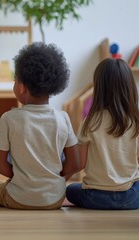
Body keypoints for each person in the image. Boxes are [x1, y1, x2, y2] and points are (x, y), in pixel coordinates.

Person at [0, 42, 80, 210]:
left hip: (19, 198)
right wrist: (52, 179)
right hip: (54, 200)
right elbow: (74, 164)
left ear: (22, 87)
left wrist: (23, 177)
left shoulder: (9, 118)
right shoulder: (63, 118)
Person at [66, 58, 139, 210]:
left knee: (70, 190)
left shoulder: (90, 121)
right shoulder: (136, 121)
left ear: (99, 88)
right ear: (130, 87)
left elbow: (79, 163)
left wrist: (60, 180)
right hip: (130, 197)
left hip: (95, 197)